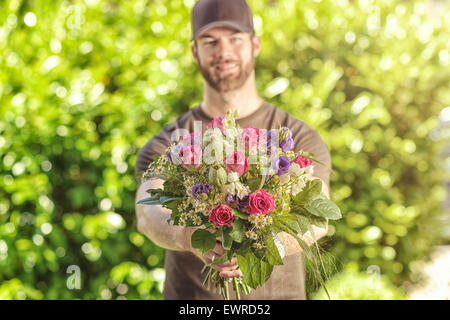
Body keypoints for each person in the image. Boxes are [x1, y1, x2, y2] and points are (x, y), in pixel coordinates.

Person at [135, 0, 331, 300]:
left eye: (235, 39)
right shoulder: (173, 141)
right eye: (210, 41)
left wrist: (264, 243)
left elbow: (320, 218)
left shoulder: (297, 137)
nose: (223, 52)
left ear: (255, 45)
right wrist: (190, 237)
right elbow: (148, 215)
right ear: (194, 51)